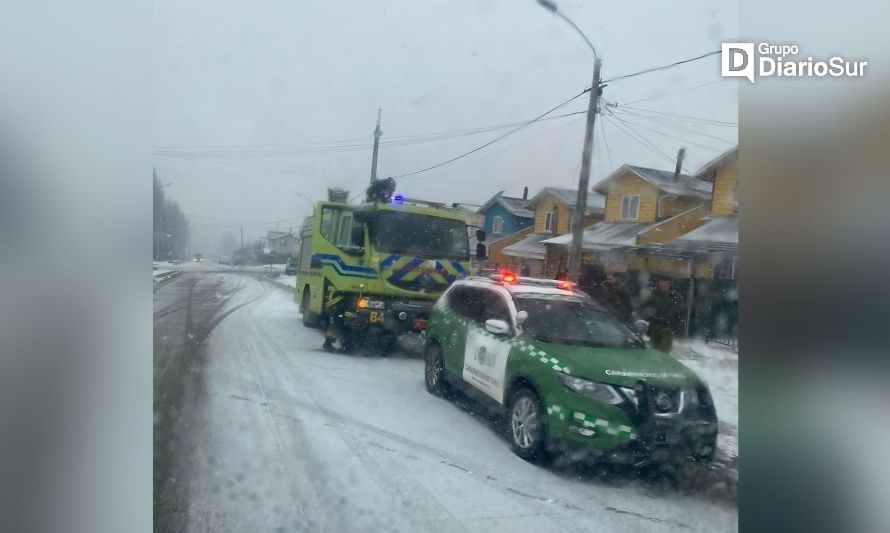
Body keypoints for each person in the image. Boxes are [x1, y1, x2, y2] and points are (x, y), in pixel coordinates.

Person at [638, 275, 684, 353]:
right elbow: (644, 307)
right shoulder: (654, 294)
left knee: (664, 352)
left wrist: (676, 321)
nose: (663, 286)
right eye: (661, 284)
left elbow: (682, 311)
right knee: (653, 351)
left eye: (665, 284)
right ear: (659, 283)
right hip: (655, 327)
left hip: (668, 328)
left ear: (669, 284)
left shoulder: (676, 296)